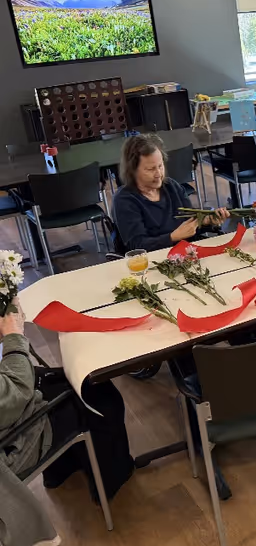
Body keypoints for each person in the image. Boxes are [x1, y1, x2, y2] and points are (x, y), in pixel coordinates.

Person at [0, 299, 133, 496]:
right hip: (11, 447)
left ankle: (60, 470)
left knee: (52, 378)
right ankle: (111, 481)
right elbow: (15, 394)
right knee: (98, 394)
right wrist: (13, 334)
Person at [113, 134, 230, 252]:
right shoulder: (125, 200)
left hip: (185, 255)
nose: (158, 173)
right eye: (150, 169)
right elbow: (137, 245)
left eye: (160, 166)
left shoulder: (171, 187)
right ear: (133, 170)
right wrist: (172, 237)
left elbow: (189, 225)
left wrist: (206, 222)